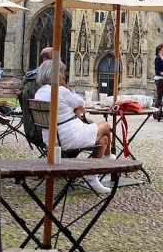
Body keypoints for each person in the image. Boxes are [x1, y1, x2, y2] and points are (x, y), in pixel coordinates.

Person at [33, 59, 111, 194]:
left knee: (103, 140)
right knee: (105, 125)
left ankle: (93, 179)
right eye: (62, 73)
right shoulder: (60, 90)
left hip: (51, 138)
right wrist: (72, 97)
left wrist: (76, 108)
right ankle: (109, 158)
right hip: (68, 136)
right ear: (56, 74)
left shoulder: (40, 92)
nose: (64, 75)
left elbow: (73, 105)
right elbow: (80, 101)